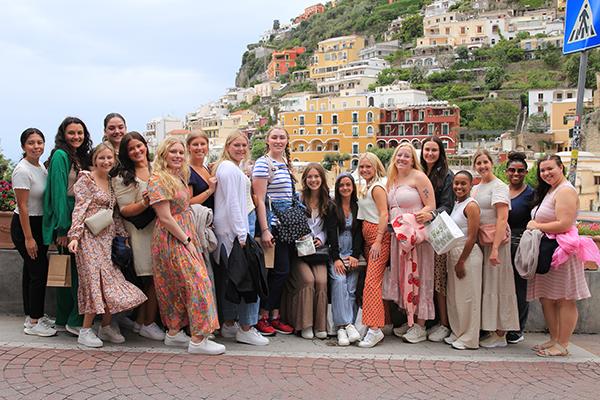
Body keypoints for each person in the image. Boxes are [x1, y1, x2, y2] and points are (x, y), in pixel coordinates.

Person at [147, 136, 224, 355]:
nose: (178, 156)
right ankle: (199, 339)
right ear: (163, 154)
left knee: (176, 286)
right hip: (173, 238)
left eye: (181, 152)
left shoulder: (178, 176)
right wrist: (187, 241)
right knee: (198, 282)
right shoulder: (159, 179)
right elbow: (165, 217)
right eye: (173, 152)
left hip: (183, 234)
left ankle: (173, 333)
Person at [67, 144, 147, 348]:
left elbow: (114, 213)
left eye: (109, 158)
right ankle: (85, 330)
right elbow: (79, 209)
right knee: (94, 281)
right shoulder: (86, 179)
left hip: (107, 238)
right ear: (94, 159)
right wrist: (74, 236)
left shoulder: (112, 181)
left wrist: (122, 235)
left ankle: (106, 325)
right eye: (102, 158)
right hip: (88, 238)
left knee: (111, 280)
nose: (106, 162)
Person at [527, 155, 591, 357]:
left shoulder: (565, 191)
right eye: (542, 170)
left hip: (563, 250)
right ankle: (554, 338)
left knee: (564, 298)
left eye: (550, 169)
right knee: (547, 297)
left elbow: (564, 223)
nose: (546, 173)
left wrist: (537, 226)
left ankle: (562, 344)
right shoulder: (550, 190)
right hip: (548, 249)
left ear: (561, 167)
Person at [213, 131, 268, 346]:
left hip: (232, 229)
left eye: (244, 145)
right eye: (237, 145)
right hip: (236, 230)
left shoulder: (230, 168)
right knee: (249, 277)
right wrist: (242, 234)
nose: (241, 149)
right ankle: (246, 327)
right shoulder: (228, 169)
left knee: (232, 278)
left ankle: (229, 323)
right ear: (227, 146)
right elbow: (234, 203)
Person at [112, 132, 164, 341]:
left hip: (160, 227)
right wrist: (144, 203)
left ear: (145, 145)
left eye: (139, 146)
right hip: (140, 231)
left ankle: (143, 322)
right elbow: (124, 209)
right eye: (131, 148)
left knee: (155, 277)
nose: (136, 151)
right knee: (149, 277)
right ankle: (148, 323)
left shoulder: (157, 167)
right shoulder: (123, 176)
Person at [42, 117, 93, 335]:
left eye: (80, 133)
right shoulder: (61, 155)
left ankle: (64, 318)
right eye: (71, 133)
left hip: (76, 219)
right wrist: (63, 229)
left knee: (69, 271)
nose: (76, 137)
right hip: (67, 222)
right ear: (63, 134)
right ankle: (74, 320)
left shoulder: (77, 156)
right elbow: (58, 193)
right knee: (74, 273)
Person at [387, 144, 435, 344]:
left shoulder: (419, 177)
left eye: (407, 156)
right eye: (399, 155)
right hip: (399, 238)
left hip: (417, 237)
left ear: (413, 159)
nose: (402, 159)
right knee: (405, 277)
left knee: (420, 276)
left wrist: (425, 214)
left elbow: (431, 204)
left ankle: (421, 324)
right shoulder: (392, 179)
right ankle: (410, 320)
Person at [282, 163, 337, 340]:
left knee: (321, 281)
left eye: (317, 177)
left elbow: (329, 229)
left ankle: (320, 325)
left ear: (322, 179)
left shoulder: (328, 202)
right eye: (310, 177)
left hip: (318, 251)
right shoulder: (297, 200)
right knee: (308, 280)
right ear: (305, 180)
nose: (313, 180)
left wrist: (320, 237)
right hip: (300, 252)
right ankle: (305, 324)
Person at [471, 149, 519, 348]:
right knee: (488, 285)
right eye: (479, 163)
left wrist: (496, 248)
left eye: (485, 162)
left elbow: (502, 218)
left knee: (498, 285)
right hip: (483, 241)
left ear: (491, 163)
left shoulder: (499, 187)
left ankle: (501, 332)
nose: (482, 166)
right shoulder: (478, 187)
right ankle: (492, 329)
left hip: (495, 242)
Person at [252, 126, 295, 336]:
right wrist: (265, 229)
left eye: (282, 137)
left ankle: (274, 315)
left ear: (287, 140)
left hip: (287, 225)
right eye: (274, 137)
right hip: (274, 226)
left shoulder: (285, 163)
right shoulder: (263, 164)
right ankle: (263, 316)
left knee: (282, 272)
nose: (278, 141)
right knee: (277, 272)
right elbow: (259, 199)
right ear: (267, 140)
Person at [12, 128, 55, 336]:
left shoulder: (40, 167)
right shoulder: (22, 170)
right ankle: (34, 323)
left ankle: (32, 315)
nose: (36, 146)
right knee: (39, 272)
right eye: (31, 143)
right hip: (25, 225)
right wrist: (29, 238)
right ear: (23, 146)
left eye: (39, 142)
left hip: (39, 224)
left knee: (31, 271)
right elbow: (23, 207)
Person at [418, 136, 454, 342]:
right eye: (427, 150)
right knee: (423, 278)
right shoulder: (419, 173)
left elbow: (447, 206)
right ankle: (426, 321)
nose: (430, 153)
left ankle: (444, 324)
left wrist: (432, 214)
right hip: (420, 234)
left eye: (434, 150)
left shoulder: (446, 176)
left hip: (437, 234)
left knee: (439, 280)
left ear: (440, 153)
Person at [356, 152, 390, 348]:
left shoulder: (377, 187)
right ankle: (370, 324)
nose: (364, 170)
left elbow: (384, 213)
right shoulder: (367, 186)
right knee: (372, 282)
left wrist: (377, 240)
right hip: (369, 238)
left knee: (371, 283)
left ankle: (375, 329)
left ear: (376, 167)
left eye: (368, 166)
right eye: (361, 167)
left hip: (378, 238)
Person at [445, 171, 483, 350]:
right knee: (456, 298)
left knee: (469, 298)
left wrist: (461, 261)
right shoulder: (457, 204)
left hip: (467, 255)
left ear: (471, 185)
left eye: (463, 184)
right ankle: (459, 331)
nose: (459, 187)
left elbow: (472, 237)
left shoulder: (471, 205)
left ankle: (469, 338)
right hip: (454, 253)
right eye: (456, 183)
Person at [330, 173, 364, 346]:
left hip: (352, 253)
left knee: (351, 287)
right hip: (337, 253)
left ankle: (349, 325)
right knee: (339, 281)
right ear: (337, 188)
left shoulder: (357, 207)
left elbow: (359, 233)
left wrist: (355, 255)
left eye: (348, 185)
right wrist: (336, 258)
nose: (345, 188)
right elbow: (331, 234)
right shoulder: (332, 207)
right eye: (341, 185)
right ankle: (342, 325)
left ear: (353, 187)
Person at [505, 151, 534, 344]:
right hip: (502, 243)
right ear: (507, 172)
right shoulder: (502, 190)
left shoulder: (532, 194)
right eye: (512, 170)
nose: (516, 174)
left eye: (520, 171)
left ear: (526, 172)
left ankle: (517, 328)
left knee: (519, 288)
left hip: (520, 243)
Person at [187, 131, 216, 209]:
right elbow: (189, 202)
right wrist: (210, 190)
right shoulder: (187, 171)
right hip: (199, 219)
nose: (199, 148)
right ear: (188, 147)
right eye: (195, 144)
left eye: (203, 144)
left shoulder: (206, 168)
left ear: (207, 146)